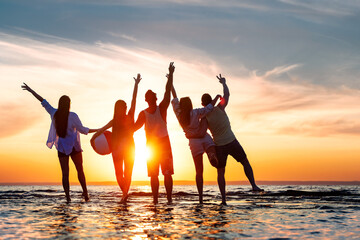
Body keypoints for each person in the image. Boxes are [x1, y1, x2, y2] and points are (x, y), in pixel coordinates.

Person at [21, 83, 97, 203]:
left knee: (65, 174)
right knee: (80, 171)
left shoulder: (54, 113)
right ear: (69, 105)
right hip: (74, 148)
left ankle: (68, 198)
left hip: (62, 148)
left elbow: (43, 101)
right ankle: (86, 195)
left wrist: (30, 90)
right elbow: (83, 130)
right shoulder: (72, 116)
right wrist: (99, 130)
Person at [201, 74, 263, 205]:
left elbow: (202, 132)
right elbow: (227, 95)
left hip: (220, 145)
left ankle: (224, 200)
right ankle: (254, 185)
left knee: (221, 172)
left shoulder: (205, 117)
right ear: (210, 100)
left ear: (202, 104)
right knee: (245, 162)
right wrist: (223, 83)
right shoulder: (219, 108)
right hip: (231, 141)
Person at [91, 74, 141, 203]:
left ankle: (124, 194)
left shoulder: (126, 117)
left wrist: (136, 85)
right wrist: (92, 139)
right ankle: (125, 194)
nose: (125, 108)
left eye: (125, 106)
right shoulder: (118, 120)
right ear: (119, 108)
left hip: (125, 149)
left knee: (124, 173)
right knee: (121, 174)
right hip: (122, 149)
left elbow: (133, 100)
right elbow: (101, 129)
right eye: (123, 107)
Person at [171, 83, 221, 204]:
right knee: (211, 150)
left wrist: (171, 83)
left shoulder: (179, 115)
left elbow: (174, 98)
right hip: (204, 137)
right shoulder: (195, 112)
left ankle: (200, 198)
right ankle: (211, 155)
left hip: (194, 143)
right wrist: (216, 97)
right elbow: (209, 108)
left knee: (199, 171)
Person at [133, 62, 175, 204]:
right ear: (152, 99)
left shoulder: (158, 109)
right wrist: (171, 75)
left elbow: (167, 92)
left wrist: (171, 76)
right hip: (157, 145)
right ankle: (164, 200)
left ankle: (159, 200)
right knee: (161, 174)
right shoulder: (150, 112)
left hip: (156, 145)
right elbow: (167, 91)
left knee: (157, 175)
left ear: (148, 99)